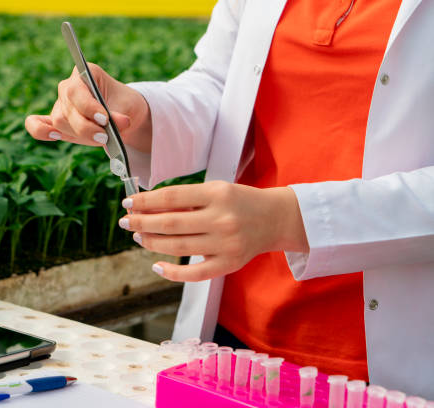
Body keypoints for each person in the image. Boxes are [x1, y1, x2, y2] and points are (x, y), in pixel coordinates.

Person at [25, 0, 434, 397]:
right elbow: (224, 84)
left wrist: (289, 219)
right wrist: (141, 114)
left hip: (389, 357)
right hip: (233, 339)